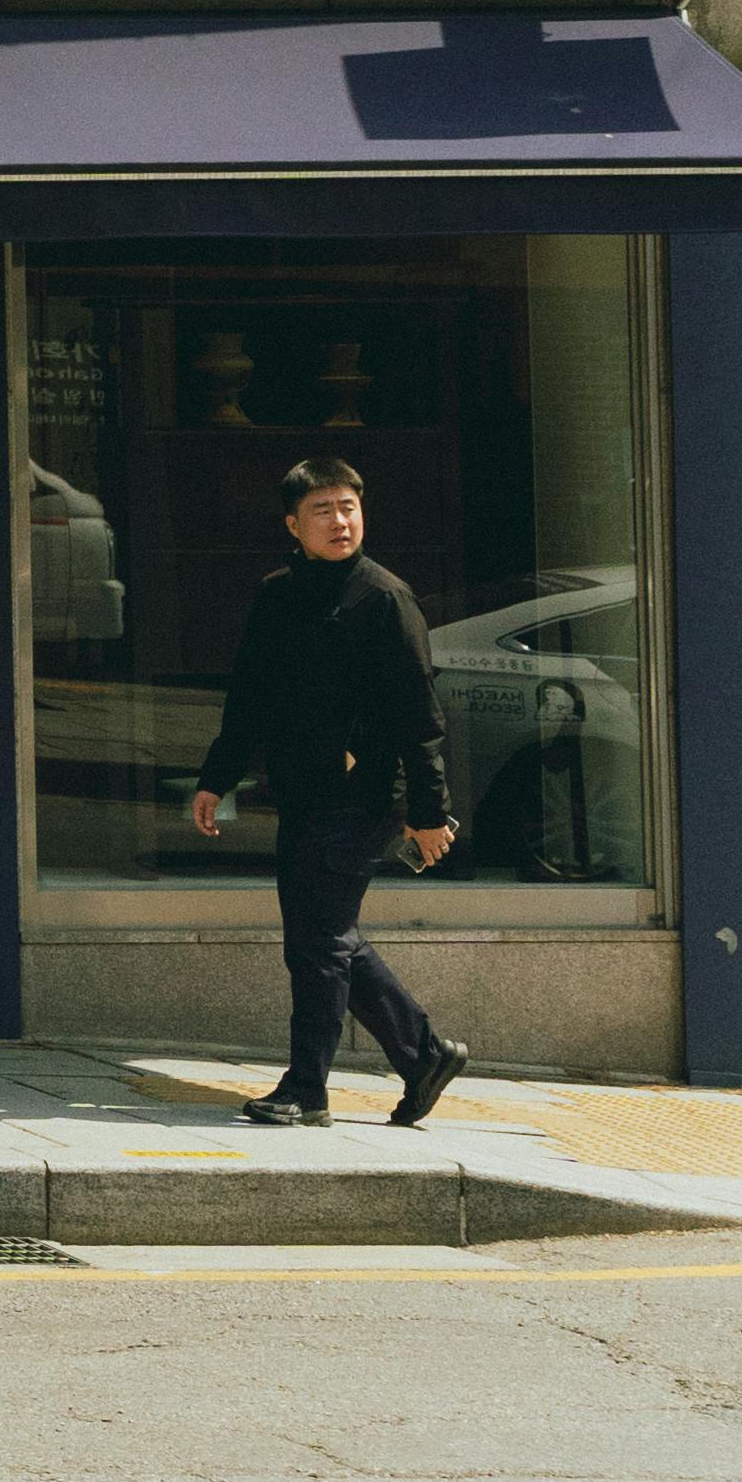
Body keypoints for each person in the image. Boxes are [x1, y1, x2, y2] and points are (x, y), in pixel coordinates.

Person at [187, 453, 471, 1130]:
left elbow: (419, 718)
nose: (340, 521)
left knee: (318, 941)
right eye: (323, 510)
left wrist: (429, 813)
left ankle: (307, 1088)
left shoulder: (385, 598)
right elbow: (248, 698)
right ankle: (424, 1054)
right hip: (302, 792)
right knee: (324, 939)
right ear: (293, 525)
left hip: (364, 797)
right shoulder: (278, 594)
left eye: (349, 507)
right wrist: (215, 777)